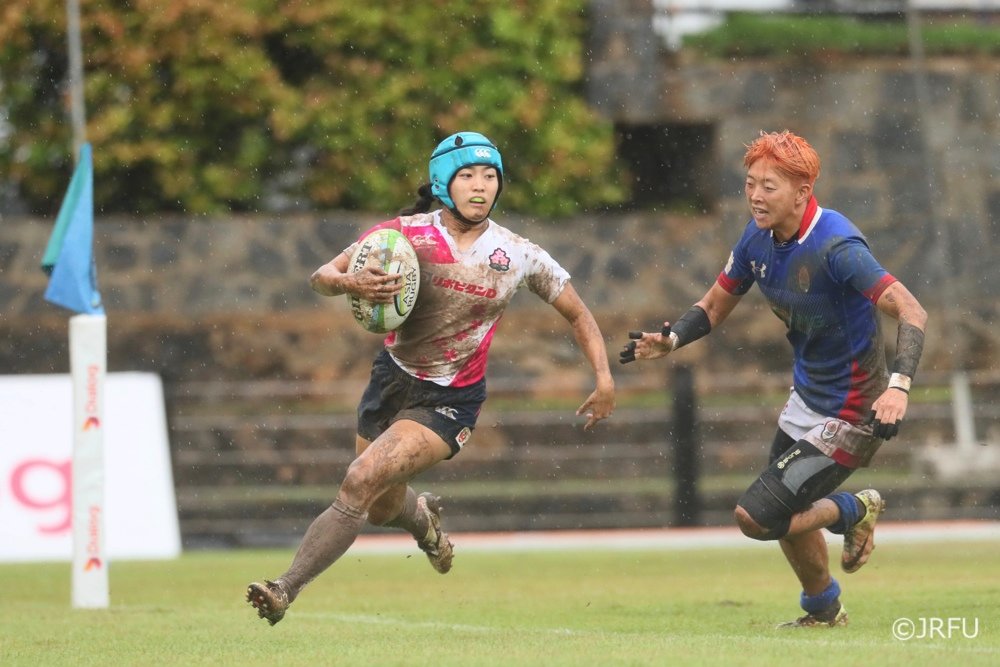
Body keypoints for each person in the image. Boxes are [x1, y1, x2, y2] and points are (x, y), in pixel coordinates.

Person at [247, 131, 616, 626]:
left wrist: (604, 377)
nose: (481, 186)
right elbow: (321, 276)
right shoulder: (402, 236)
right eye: (468, 176)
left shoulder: (517, 253)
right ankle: (426, 526)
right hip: (391, 379)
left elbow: (578, 314)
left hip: (449, 398)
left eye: (490, 176)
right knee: (378, 506)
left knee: (360, 479)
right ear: (444, 182)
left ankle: (283, 589)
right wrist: (349, 282)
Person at [619, 130, 927, 627]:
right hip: (805, 398)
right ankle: (824, 611)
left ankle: (854, 508)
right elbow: (716, 304)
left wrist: (898, 386)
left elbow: (912, 311)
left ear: (803, 191)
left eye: (769, 187)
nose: (756, 196)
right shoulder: (756, 237)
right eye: (750, 184)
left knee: (758, 515)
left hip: (854, 411)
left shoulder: (837, 245)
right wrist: (671, 339)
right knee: (784, 508)